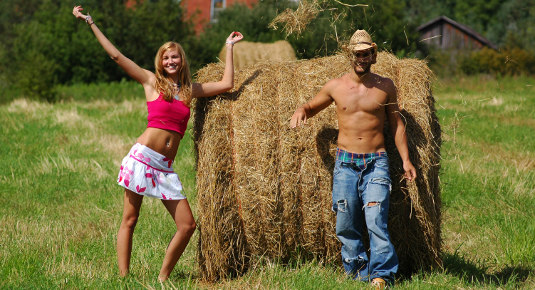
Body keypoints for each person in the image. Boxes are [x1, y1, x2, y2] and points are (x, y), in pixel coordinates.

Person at [72, 6, 243, 281]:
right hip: (141, 159)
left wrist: (229, 46)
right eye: (166, 58)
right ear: (160, 62)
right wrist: (90, 22)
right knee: (130, 219)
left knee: (187, 225)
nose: (171, 61)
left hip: (164, 167)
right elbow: (116, 56)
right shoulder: (151, 82)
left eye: (175, 57)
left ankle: (163, 278)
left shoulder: (189, 90)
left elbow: (227, 84)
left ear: (182, 61)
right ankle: (124, 279)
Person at [290, 30, 416, 288]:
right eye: (357, 54)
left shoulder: (386, 86)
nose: (362, 58)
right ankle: (358, 273)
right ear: (350, 55)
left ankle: (382, 275)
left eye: (366, 53)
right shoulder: (335, 86)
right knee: (346, 222)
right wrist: (300, 110)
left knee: (375, 218)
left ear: (373, 54)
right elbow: (311, 107)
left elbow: (396, 125)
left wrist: (406, 160)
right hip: (345, 163)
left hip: (376, 161)